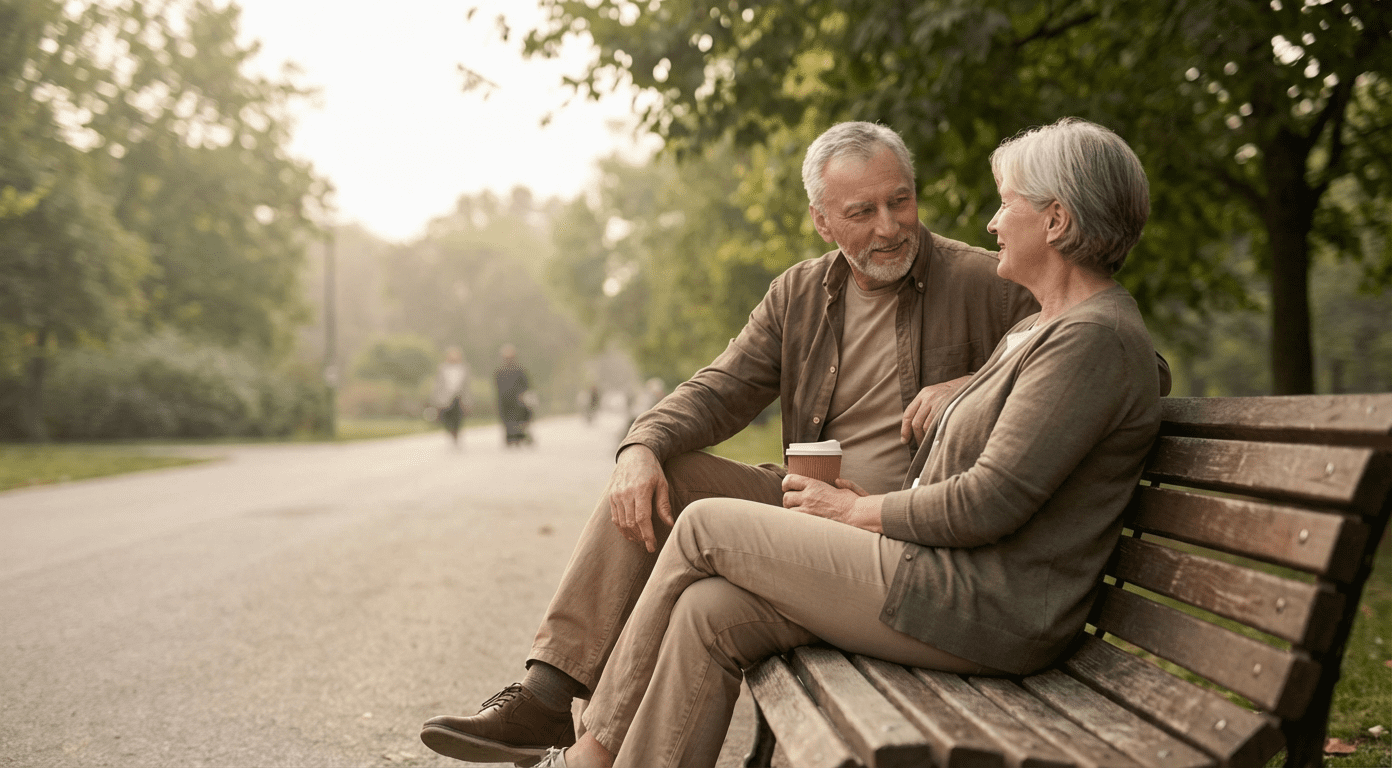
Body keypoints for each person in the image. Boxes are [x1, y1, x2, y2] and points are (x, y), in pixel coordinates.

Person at [420, 120, 1170, 765]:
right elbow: (718, 389)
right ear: (823, 222)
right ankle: (552, 691)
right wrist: (638, 445)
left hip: (924, 556)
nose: (890, 225)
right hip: (872, 532)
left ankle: (591, 752)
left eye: (900, 201)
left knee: (706, 531)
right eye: (863, 210)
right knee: (704, 593)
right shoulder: (805, 295)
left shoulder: (1016, 298)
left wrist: (960, 390)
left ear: (1059, 222)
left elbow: (1102, 381)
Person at [494, 344, 533, 447]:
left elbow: (526, 385)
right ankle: (511, 438)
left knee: (519, 419)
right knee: (507, 420)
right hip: (505, 400)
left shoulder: (520, 371)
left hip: (518, 400)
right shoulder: (499, 372)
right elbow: (497, 387)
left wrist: (523, 396)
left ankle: (520, 437)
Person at [431, 346, 470, 447]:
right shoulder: (442, 368)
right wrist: (436, 398)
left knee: (458, 418)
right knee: (446, 417)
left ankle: (456, 433)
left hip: (459, 397)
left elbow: (467, 386)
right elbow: (438, 385)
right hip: (445, 398)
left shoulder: (464, 368)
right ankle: (450, 431)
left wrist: (468, 400)